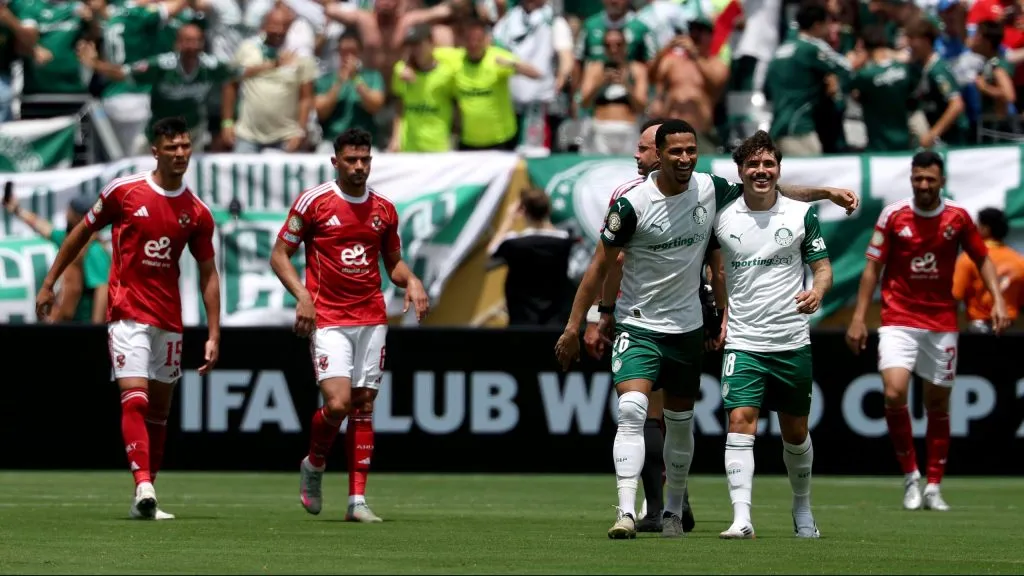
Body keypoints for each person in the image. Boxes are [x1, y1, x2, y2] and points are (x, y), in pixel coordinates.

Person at [555, 118, 857, 539]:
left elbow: (769, 193)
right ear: (657, 156)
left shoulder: (710, 190)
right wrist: (581, 322)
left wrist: (825, 193)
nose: (683, 158)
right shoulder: (630, 204)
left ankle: (674, 511)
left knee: (682, 423)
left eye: (690, 151)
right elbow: (599, 266)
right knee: (632, 411)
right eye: (674, 151)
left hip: (689, 328)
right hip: (640, 324)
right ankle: (627, 511)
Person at [35, 116, 222, 520]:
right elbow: (80, 233)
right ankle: (143, 485)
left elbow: (208, 273)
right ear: (155, 150)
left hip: (169, 319)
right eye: (172, 147)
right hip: (127, 313)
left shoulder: (197, 212)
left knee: (159, 411)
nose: (180, 154)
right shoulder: (124, 192)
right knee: (134, 398)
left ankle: (146, 498)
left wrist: (213, 332)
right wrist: (50, 282)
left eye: (186, 147)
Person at [269, 127, 430, 523]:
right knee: (338, 403)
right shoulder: (314, 203)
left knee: (363, 406)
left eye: (365, 160)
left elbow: (393, 263)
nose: (359, 167)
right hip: (329, 318)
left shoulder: (384, 210)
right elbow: (279, 256)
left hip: (371, 317)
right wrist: (303, 296)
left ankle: (357, 500)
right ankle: (315, 463)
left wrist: (411, 280)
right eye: (351, 160)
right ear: (335, 161)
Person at [845, 150, 1010, 512]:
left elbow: (983, 258)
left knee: (937, 403)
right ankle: (910, 477)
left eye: (930, 179)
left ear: (942, 181)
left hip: (941, 323)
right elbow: (872, 267)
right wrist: (859, 316)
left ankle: (934, 485)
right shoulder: (894, 215)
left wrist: (997, 300)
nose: (923, 185)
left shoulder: (958, 217)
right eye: (917, 178)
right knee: (893, 393)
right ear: (911, 179)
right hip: (897, 318)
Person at [711, 130, 832, 540]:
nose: (761, 171)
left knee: (795, 433)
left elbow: (822, 267)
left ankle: (802, 508)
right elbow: (709, 265)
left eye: (768, 164)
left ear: (778, 169)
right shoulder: (722, 213)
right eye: (753, 165)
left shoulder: (799, 215)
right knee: (740, 420)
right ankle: (741, 518)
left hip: (791, 341)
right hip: (744, 340)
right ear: (741, 170)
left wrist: (817, 292)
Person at [582, 117, 697, 534]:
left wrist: (602, 314)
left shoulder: (701, 188)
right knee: (645, 410)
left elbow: (613, 263)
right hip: (645, 318)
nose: (637, 155)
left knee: (662, 415)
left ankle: (665, 504)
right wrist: (602, 314)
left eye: (645, 148)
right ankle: (659, 505)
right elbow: (609, 258)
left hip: (677, 315)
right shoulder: (630, 196)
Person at [5, 194, 110, 324]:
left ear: (78, 217)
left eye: (69, 211)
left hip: (84, 326)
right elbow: (42, 226)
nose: (66, 215)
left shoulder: (94, 250)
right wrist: (17, 210)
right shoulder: (68, 241)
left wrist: (96, 329)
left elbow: (102, 288)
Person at [486, 188, 575, 327]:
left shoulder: (514, 243)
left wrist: (509, 219)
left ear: (523, 211)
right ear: (548, 210)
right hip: (556, 321)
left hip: (522, 320)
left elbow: (492, 250)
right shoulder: (565, 242)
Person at [953, 207, 1024, 333]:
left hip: (978, 331)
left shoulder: (968, 259)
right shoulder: (1019, 260)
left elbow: (954, 297)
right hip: (1010, 330)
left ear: (985, 229)